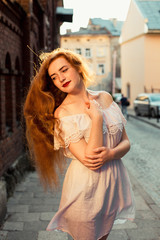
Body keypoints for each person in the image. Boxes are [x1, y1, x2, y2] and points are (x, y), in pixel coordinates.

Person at [23, 48, 135, 240]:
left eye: (64, 70)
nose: (61, 78)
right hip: (86, 191)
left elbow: (126, 142)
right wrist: (97, 118)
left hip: (113, 187)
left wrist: (110, 154)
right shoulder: (63, 113)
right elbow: (92, 160)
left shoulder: (105, 97)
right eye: (54, 77)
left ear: (77, 67)